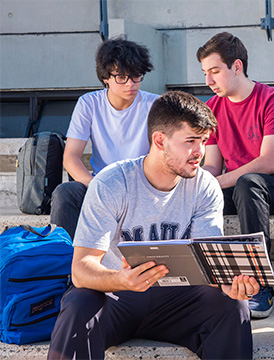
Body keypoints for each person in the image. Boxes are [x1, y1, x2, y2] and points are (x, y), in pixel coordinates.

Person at [47, 91, 258, 360]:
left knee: (233, 305)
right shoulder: (112, 182)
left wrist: (229, 285)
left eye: (203, 141)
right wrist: (119, 280)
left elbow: (208, 263)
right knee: (78, 303)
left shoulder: (205, 186)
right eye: (191, 141)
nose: (200, 152)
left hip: (176, 301)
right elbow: (81, 269)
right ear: (160, 140)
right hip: (116, 296)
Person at [196, 32, 274, 318]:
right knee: (201, 194)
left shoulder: (271, 99)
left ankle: (261, 284)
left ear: (237, 66)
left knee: (247, 182)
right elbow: (213, 166)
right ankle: (207, 286)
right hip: (241, 189)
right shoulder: (212, 108)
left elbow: (268, 163)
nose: (209, 81)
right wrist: (196, 183)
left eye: (214, 71)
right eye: (205, 73)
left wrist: (215, 183)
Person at [50, 36, 159, 239]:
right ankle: (65, 264)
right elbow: (71, 156)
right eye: (121, 77)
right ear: (105, 78)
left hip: (142, 187)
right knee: (65, 193)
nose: (131, 84)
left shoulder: (155, 104)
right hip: (100, 182)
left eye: (136, 76)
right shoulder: (89, 103)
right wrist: (95, 185)